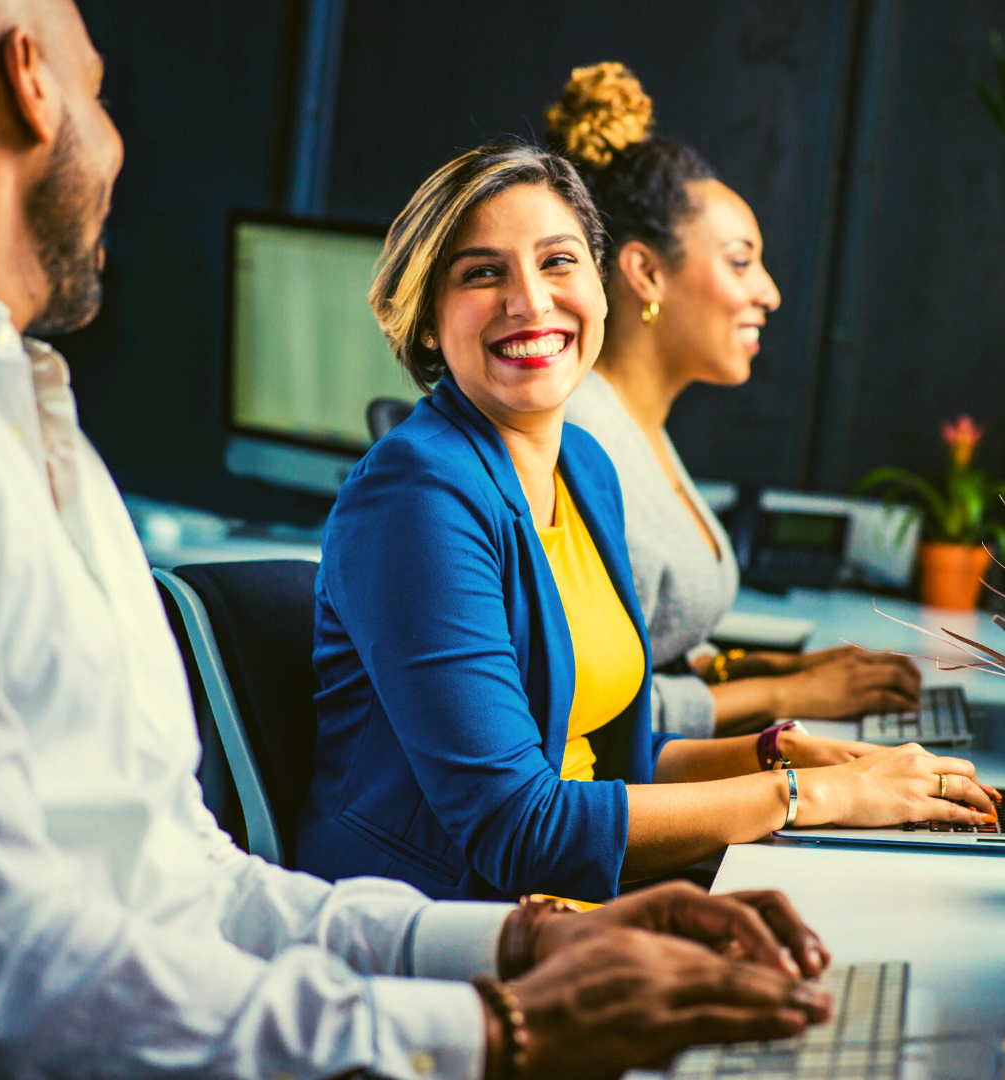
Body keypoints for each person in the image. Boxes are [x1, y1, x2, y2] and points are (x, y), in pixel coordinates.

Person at [0, 1, 846, 1076]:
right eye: (101, 92)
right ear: (32, 81)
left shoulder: (32, 415)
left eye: (558, 262)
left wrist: (532, 944)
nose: (119, 142)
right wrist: (503, 1025)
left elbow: (191, 886)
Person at [297, 140, 997, 908]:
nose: (530, 300)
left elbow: (610, 761)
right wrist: (808, 794)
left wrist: (782, 754)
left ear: (600, 286)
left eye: (559, 262)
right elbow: (516, 826)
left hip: (577, 899)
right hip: (445, 925)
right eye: (482, 273)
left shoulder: (586, 467)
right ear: (428, 322)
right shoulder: (415, 495)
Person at [550, 63, 923, 739]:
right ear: (646, 271)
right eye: (741, 261)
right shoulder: (582, 442)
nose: (770, 293)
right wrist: (790, 694)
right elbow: (590, 715)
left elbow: (654, 652)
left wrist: (778, 670)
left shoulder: (639, 428)